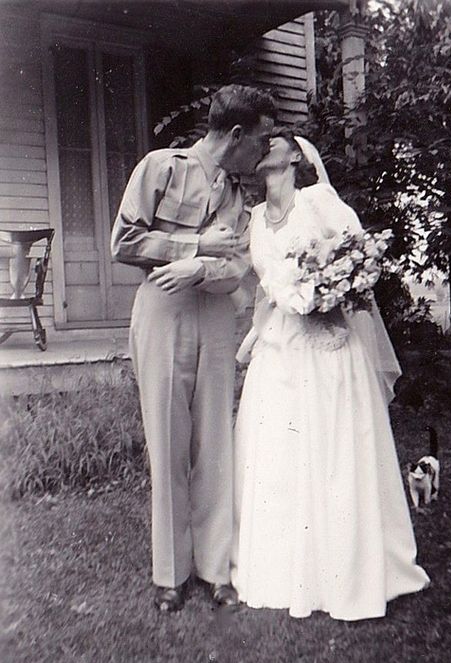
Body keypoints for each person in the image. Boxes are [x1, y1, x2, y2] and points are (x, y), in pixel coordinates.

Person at [231, 130, 430, 620]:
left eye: (275, 143)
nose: (265, 149)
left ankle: (345, 566)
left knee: (334, 450)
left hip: (328, 345)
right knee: (279, 451)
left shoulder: (319, 201)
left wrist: (328, 293)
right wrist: (259, 329)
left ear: (296, 157)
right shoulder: (253, 219)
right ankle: (281, 566)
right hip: (280, 347)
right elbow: (256, 286)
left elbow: (361, 264)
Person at [111, 85, 276, 612]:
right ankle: (170, 574)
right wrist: (193, 245)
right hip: (163, 313)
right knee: (168, 441)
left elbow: (240, 262)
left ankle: (215, 568)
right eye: (261, 139)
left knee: (214, 442)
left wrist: (202, 266)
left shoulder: (235, 192)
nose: (265, 151)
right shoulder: (161, 167)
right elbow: (123, 242)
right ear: (234, 135)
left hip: (215, 314)